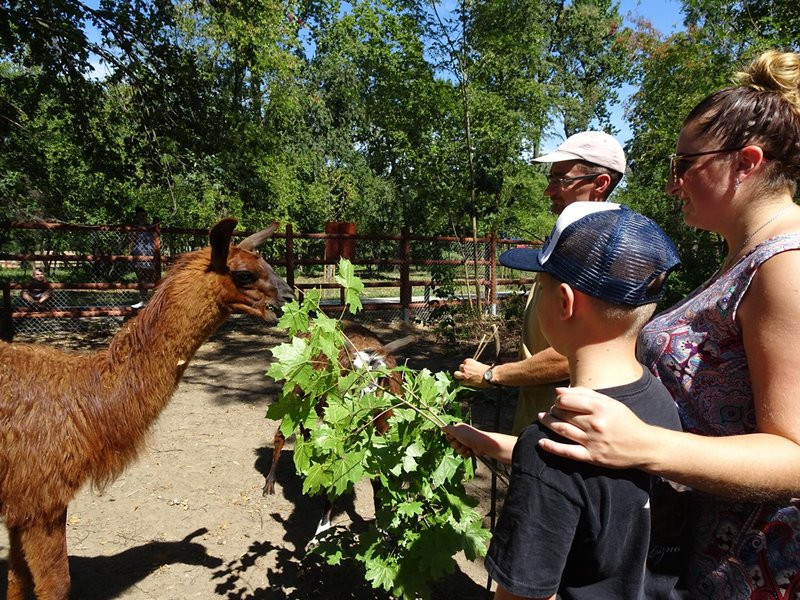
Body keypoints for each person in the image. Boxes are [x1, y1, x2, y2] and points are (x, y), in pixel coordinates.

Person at [537, 50, 800, 599]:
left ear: (746, 163)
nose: (671, 184)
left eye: (684, 165)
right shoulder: (744, 258)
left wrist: (644, 445)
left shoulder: (786, 266)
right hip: (700, 557)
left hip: (751, 571)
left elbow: (795, 456)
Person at [446, 201, 684, 600]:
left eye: (540, 287)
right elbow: (600, 487)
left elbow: (523, 593)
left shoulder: (553, 454)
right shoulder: (655, 402)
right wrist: (486, 441)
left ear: (564, 303)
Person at [454, 131, 626, 434]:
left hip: (565, 428)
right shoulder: (572, 239)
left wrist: (493, 375)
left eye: (561, 179)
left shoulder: (600, 250)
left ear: (600, 183)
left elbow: (575, 353)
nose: (549, 190)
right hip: (542, 416)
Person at [129, 206, 156, 309]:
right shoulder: (134, 229)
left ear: (146, 217)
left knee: (153, 280)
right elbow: (129, 241)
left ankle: (153, 301)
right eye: (139, 216)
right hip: (139, 257)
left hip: (151, 257)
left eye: (143, 216)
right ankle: (143, 300)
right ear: (136, 217)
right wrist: (135, 232)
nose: (142, 218)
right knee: (142, 279)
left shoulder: (151, 228)